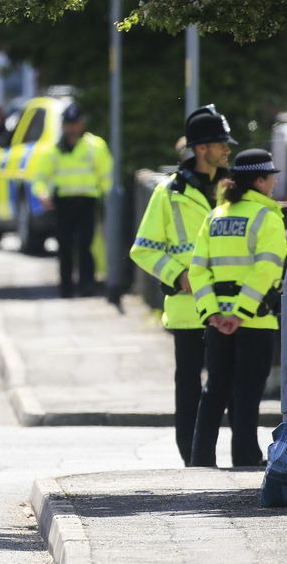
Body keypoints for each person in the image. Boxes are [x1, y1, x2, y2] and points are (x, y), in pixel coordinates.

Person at [130, 104, 235, 466]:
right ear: (201, 148)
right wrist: (178, 275)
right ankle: (193, 460)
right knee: (189, 387)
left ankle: (238, 460)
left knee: (229, 387)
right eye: (222, 143)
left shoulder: (233, 189)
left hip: (230, 306)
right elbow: (142, 249)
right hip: (188, 309)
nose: (228, 149)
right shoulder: (168, 192)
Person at [189, 148, 287, 468]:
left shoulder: (215, 217)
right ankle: (244, 459)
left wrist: (213, 313)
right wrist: (241, 313)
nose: (273, 183)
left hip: (217, 322)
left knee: (214, 390)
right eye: (270, 177)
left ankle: (200, 460)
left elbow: (198, 270)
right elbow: (266, 270)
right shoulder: (266, 217)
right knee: (246, 392)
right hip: (254, 322)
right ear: (259, 180)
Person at [32, 102, 113, 297]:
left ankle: (87, 285)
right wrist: (42, 194)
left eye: (76, 123)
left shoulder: (95, 146)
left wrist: (108, 198)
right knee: (65, 246)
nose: (72, 127)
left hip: (87, 202)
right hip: (63, 203)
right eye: (69, 123)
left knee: (86, 245)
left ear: (82, 124)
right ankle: (66, 287)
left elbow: (107, 175)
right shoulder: (54, 150)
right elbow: (40, 178)